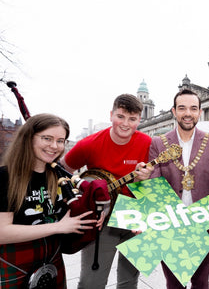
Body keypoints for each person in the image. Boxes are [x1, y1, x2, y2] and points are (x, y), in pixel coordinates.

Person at [0, 113, 97, 288]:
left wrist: (92, 214)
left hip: (52, 261)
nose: (54, 146)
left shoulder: (59, 176)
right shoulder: (4, 176)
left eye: (61, 140)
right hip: (14, 263)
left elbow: (69, 216)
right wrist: (58, 226)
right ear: (28, 138)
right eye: (47, 138)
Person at [61, 94, 153, 289]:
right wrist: (76, 200)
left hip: (137, 216)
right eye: (120, 116)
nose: (125, 124)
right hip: (101, 220)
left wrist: (148, 178)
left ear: (139, 120)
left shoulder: (148, 143)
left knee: (129, 282)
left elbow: (163, 179)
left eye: (132, 119)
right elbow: (60, 172)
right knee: (91, 283)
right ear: (111, 115)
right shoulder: (89, 143)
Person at [146, 89, 209, 289]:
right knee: (174, 284)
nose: (188, 113)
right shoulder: (158, 143)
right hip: (169, 227)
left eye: (193, 108)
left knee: (201, 283)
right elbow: (153, 185)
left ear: (200, 112)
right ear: (173, 112)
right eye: (182, 108)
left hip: (203, 225)